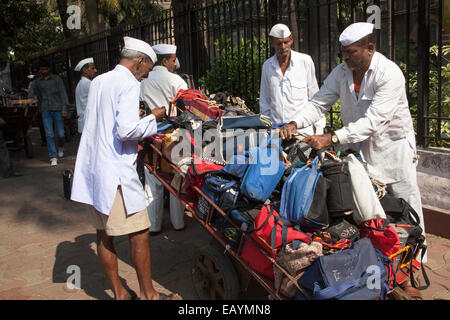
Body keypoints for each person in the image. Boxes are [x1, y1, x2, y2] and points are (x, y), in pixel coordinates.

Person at [281, 23, 426, 258]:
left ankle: (413, 268)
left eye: (351, 52)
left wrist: (332, 137)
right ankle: (380, 262)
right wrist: (295, 123)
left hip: (392, 154)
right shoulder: (341, 72)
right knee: (372, 214)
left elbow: (374, 120)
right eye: (343, 51)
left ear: (370, 48)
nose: (345, 57)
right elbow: (320, 102)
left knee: (406, 213)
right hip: (361, 156)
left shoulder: (388, 73)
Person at [70, 36, 178, 300]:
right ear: (139, 62)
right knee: (139, 233)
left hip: (94, 170)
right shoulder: (129, 84)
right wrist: (154, 116)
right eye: (147, 70)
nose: (145, 76)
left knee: (104, 234)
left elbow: (107, 119)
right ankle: (149, 295)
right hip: (115, 173)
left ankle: (120, 293)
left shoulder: (100, 80)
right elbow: (127, 130)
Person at [140, 44, 188, 235]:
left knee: (153, 181)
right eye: (173, 59)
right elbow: (187, 108)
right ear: (165, 60)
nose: (175, 63)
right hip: (175, 135)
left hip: (152, 134)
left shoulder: (143, 80)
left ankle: (154, 225)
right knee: (177, 178)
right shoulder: (176, 81)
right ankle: (178, 223)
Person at [259, 23, 326, 136]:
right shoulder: (267, 66)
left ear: (291, 40)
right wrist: (268, 128)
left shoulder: (305, 61)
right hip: (277, 132)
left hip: (302, 132)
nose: (283, 47)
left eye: (286, 42)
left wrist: (319, 130)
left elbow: (315, 97)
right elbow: (265, 101)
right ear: (271, 43)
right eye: (279, 43)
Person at [28, 59, 69, 166]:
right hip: (45, 109)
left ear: (49, 69)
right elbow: (31, 94)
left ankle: (60, 146)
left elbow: (63, 93)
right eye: (42, 69)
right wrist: (32, 99)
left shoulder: (57, 79)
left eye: (46, 69)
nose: (44, 71)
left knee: (60, 133)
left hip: (57, 108)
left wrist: (65, 108)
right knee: (49, 133)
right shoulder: (37, 82)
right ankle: (53, 156)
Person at [74, 57, 97, 134]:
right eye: (92, 68)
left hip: (85, 122)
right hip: (90, 123)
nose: (95, 70)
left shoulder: (81, 83)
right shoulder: (88, 84)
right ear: (85, 70)